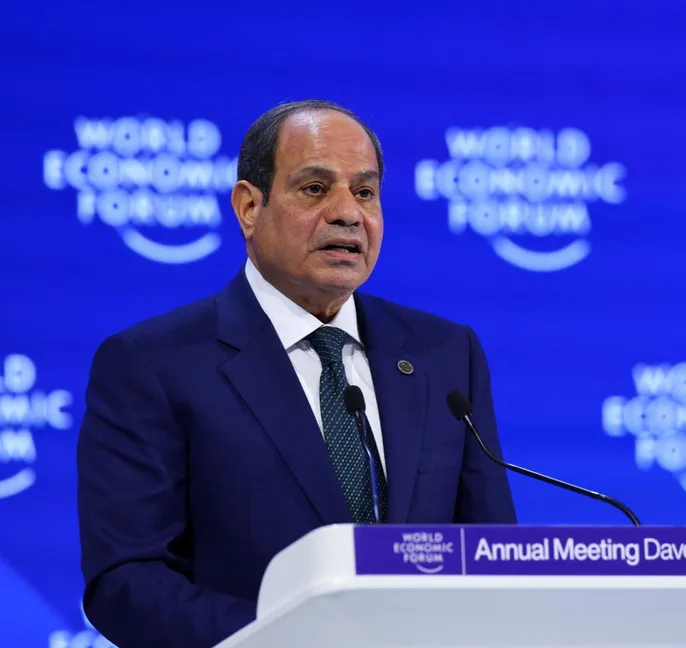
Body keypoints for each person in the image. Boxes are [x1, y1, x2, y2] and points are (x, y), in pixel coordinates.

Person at [76, 100, 517, 648]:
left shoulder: (445, 354)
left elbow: (492, 559)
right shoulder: (154, 364)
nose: (348, 213)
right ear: (249, 207)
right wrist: (299, 639)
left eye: (365, 192)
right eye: (314, 188)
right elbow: (126, 582)